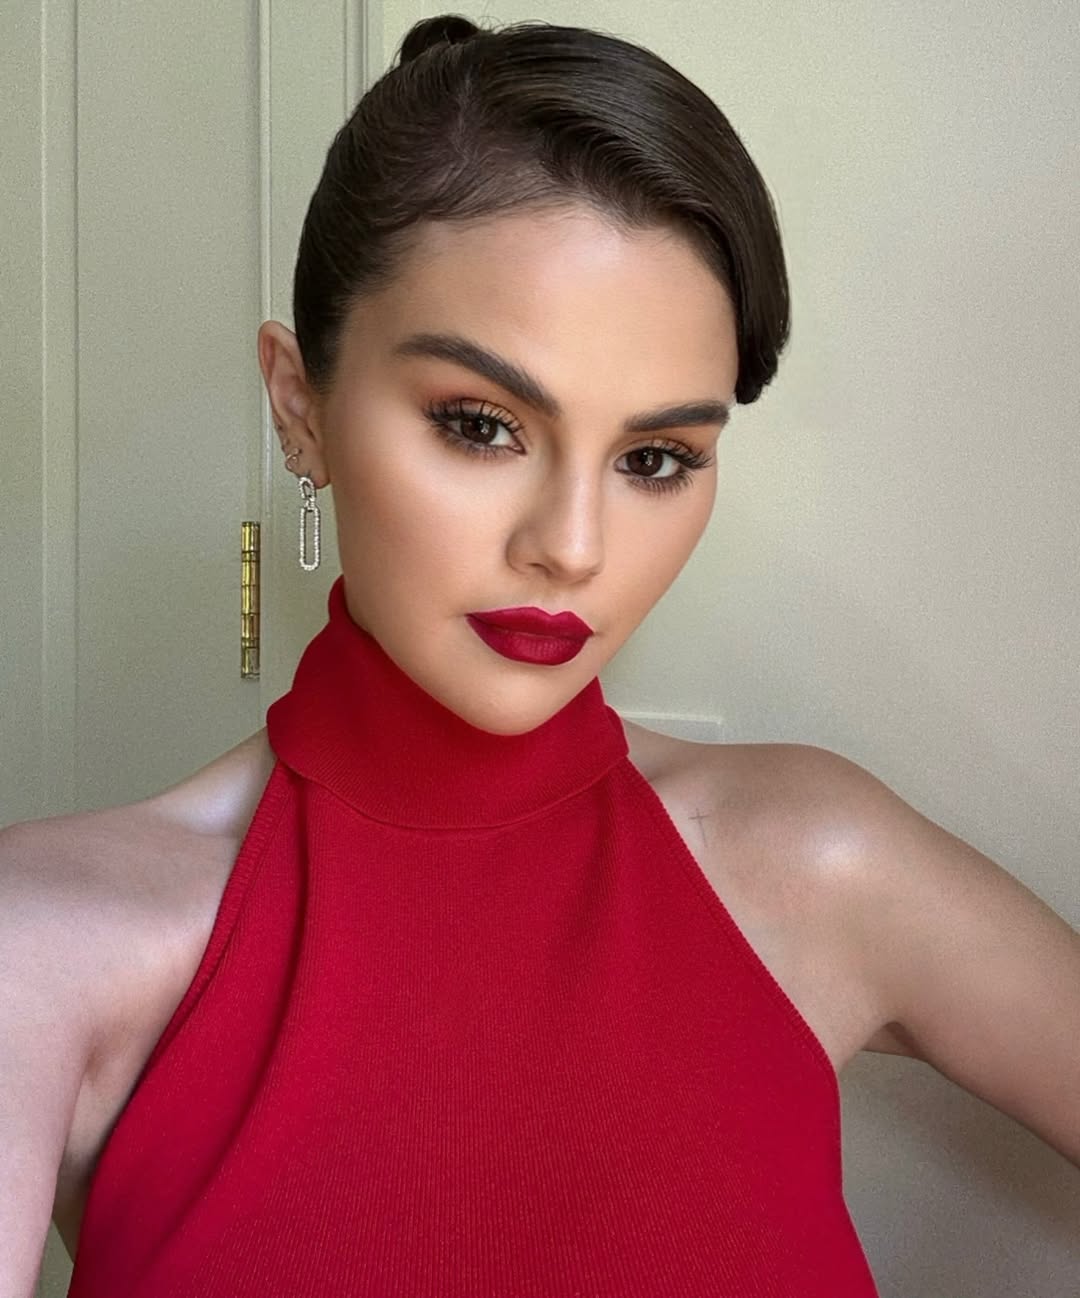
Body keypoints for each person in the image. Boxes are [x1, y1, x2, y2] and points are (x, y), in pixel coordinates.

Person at [3, 12, 1078, 1298]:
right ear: (300, 405)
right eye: (480, 423)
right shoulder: (45, 944)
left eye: (656, 458)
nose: (572, 547)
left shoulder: (821, 862)